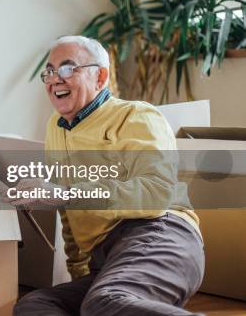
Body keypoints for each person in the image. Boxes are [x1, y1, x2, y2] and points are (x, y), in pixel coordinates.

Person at [10, 36, 204, 316]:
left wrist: (68, 193)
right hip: (107, 257)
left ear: (99, 76)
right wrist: (79, 272)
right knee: (35, 305)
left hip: (160, 234)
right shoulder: (56, 126)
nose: (54, 80)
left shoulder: (137, 116)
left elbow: (156, 194)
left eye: (67, 69)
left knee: (104, 302)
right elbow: (69, 214)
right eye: (49, 72)